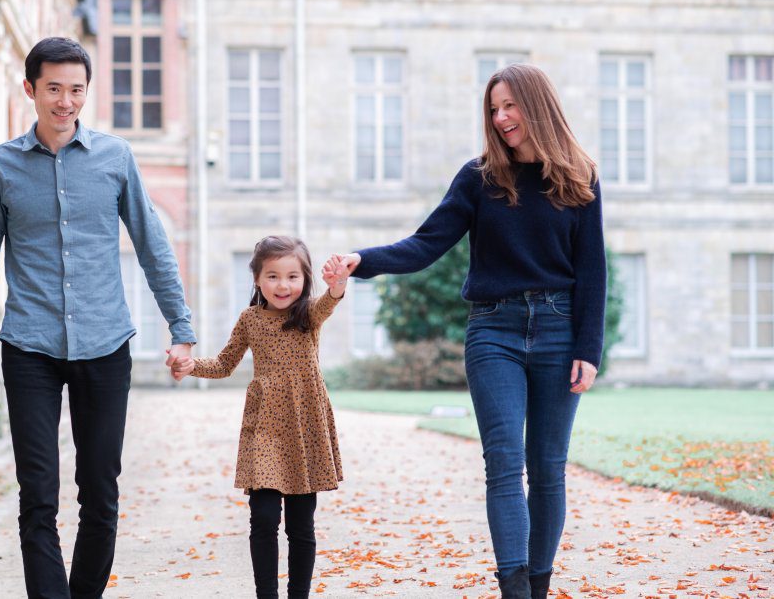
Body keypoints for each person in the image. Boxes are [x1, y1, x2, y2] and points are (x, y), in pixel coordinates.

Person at [333, 64, 606, 599]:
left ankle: (539, 586)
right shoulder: (479, 178)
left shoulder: (579, 176)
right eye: (493, 109)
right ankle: (515, 589)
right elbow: (426, 243)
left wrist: (588, 349)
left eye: (510, 106)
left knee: (547, 468)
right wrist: (362, 260)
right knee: (504, 461)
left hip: (558, 329)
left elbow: (593, 271)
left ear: (537, 106)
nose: (501, 118)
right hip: (493, 332)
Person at [0, 36, 195, 598]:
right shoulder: (0, 166)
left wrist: (180, 329)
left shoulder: (115, 158)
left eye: (76, 90)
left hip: (105, 342)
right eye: (54, 89)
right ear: (31, 90)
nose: (66, 102)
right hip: (29, 345)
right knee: (37, 492)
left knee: (100, 491)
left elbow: (153, 245)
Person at [170, 236, 349, 599]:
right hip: (265, 427)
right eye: (272, 276)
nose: (283, 285)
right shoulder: (250, 319)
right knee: (264, 518)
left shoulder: (308, 315)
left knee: (301, 525)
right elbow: (223, 364)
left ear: (305, 280)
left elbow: (328, 304)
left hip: (305, 426)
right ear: (256, 279)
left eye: (292, 277)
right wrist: (190, 366)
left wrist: (338, 286)